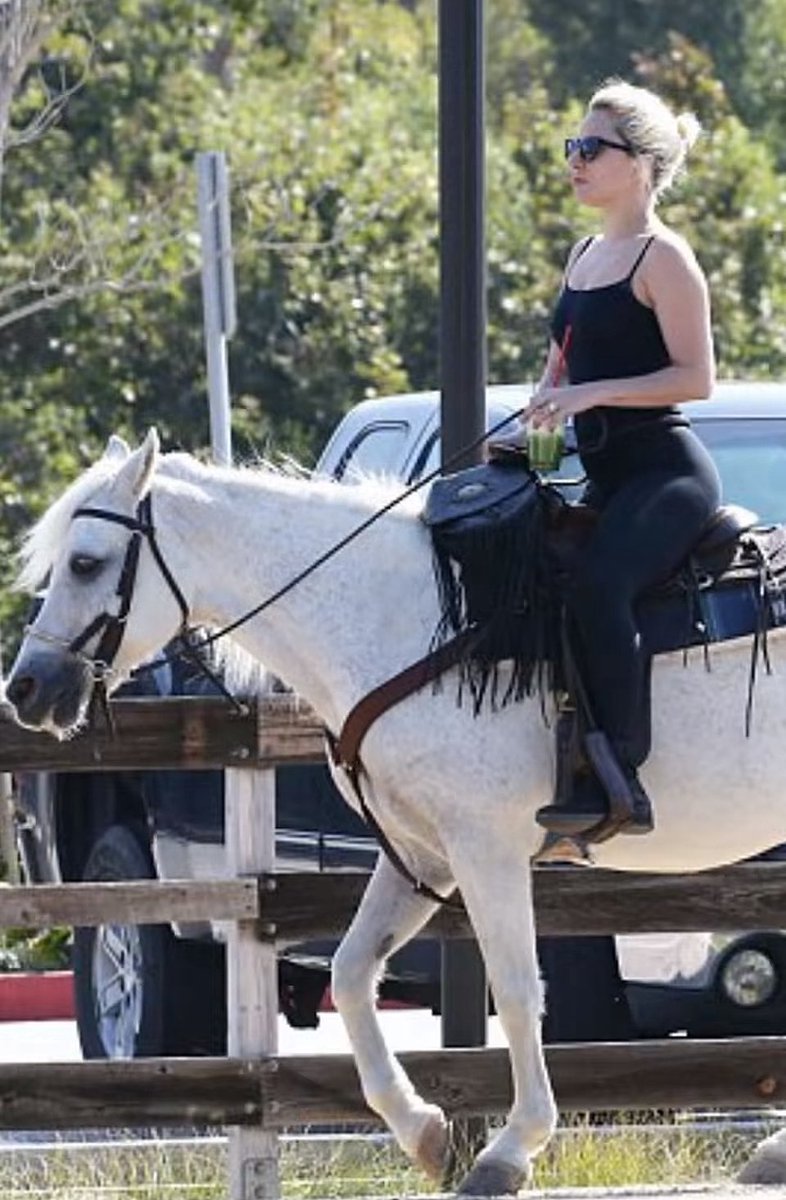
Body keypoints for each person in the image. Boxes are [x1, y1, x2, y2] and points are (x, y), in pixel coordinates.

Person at [523, 79, 722, 841]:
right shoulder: (582, 256)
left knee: (601, 585)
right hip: (604, 471)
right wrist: (540, 408)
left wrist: (588, 394)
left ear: (638, 163)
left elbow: (696, 379)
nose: (574, 161)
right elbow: (561, 368)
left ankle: (620, 776)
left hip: (666, 473)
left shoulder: (663, 257)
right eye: (571, 146)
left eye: (590, 148)